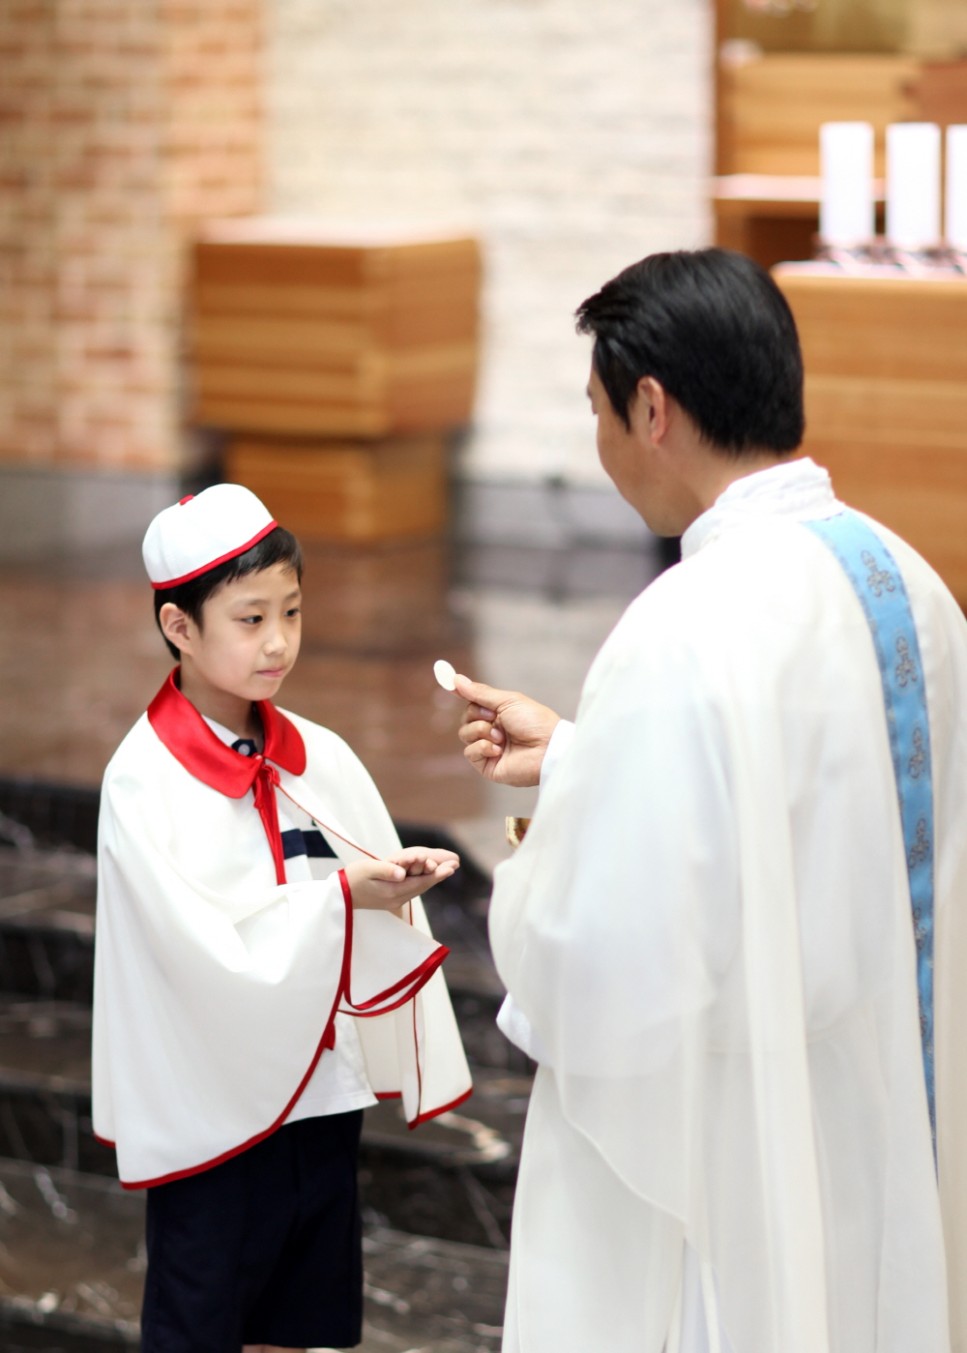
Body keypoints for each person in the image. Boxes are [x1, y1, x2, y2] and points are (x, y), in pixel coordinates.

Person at [452, 248, 967, 1353]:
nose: (600, 447)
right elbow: (814, 800)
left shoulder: (686, 623)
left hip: (740, 1137)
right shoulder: (909, 582)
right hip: (879, 1100)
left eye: (597, 412)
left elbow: (605, 963)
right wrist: (588, 759)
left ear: (652, 410)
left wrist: (546, 851)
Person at [92, 484, 472, 1353]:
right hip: (212, 1121)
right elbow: (194, 953)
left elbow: (346, 890)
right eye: (250, 618)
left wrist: (389, 888)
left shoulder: (319, 754)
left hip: (321, 1096)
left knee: (298, 1322)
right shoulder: (143, 781)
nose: (278, 641)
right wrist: (342, 899)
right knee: (201, 1324)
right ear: (179, 627)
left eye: (292, 612)